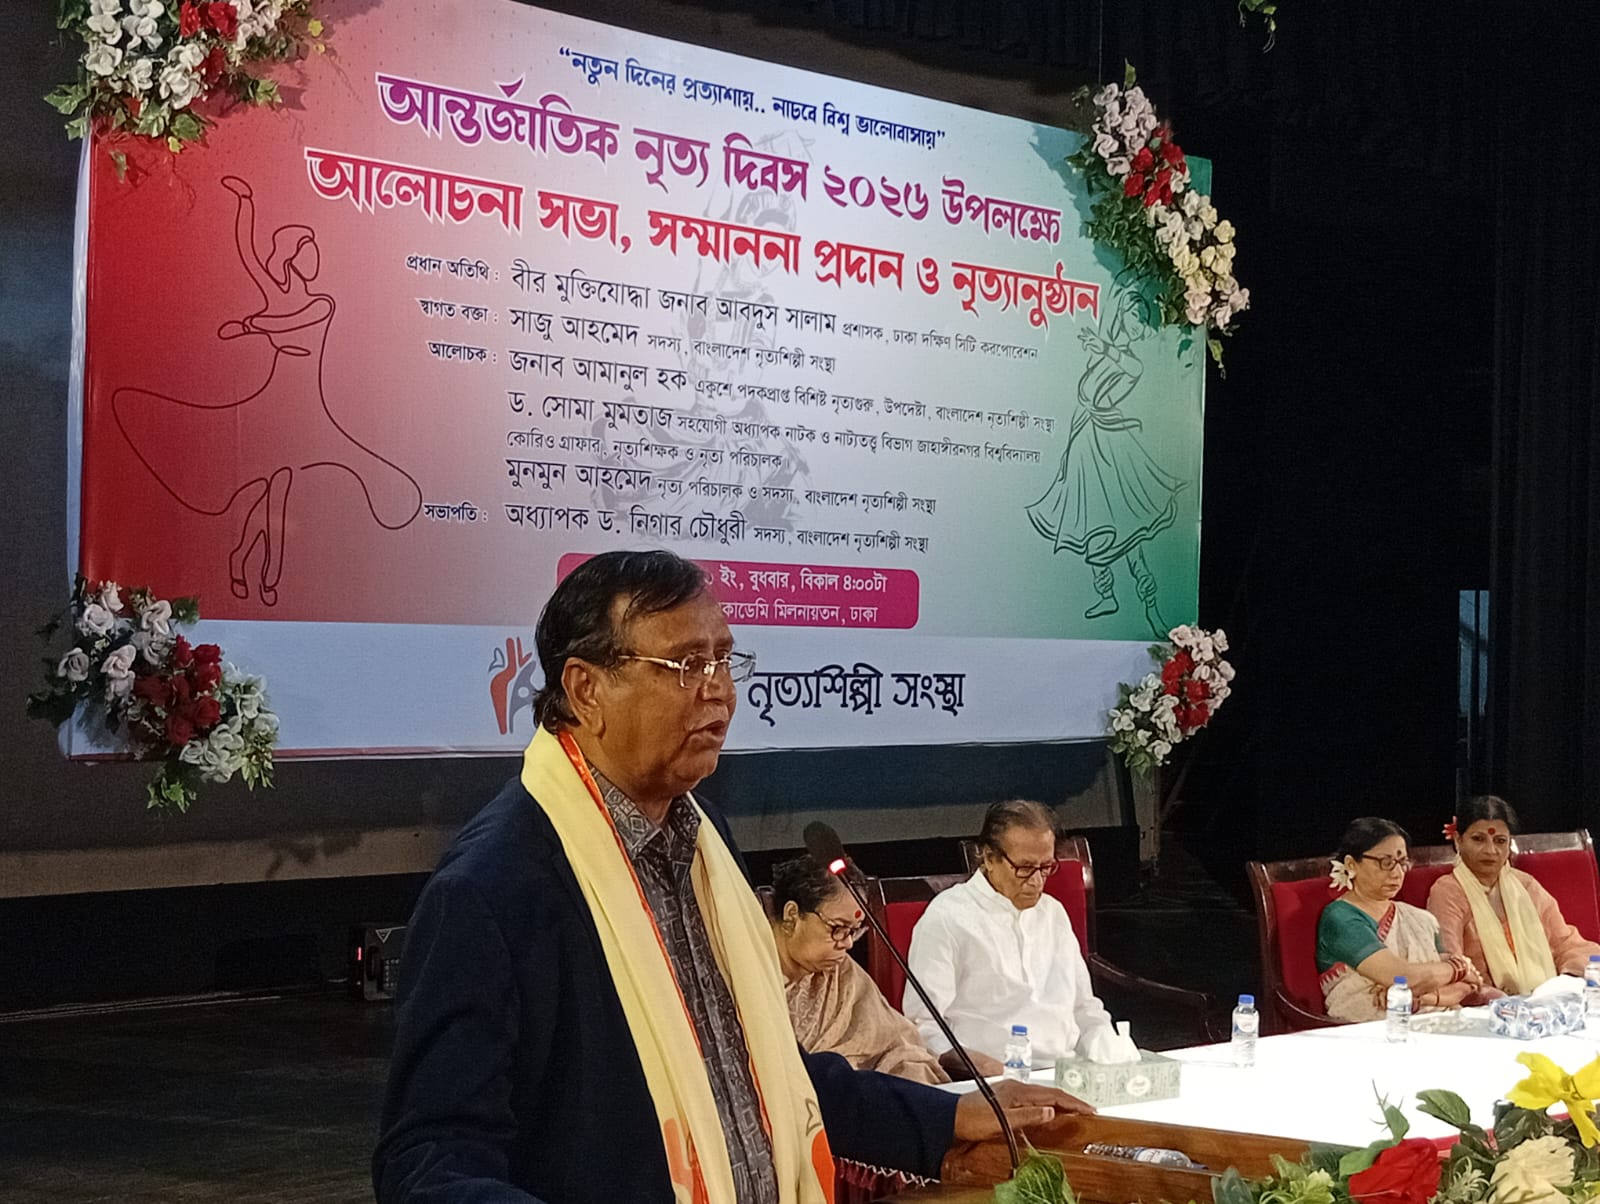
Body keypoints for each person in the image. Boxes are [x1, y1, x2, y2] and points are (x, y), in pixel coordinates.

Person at [373, 550, 1087, 1204]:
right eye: (686, 664)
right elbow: (430, 1160)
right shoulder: (493, 890)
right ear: (586, 689)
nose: (718, 691)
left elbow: (756, 1073)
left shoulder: (703, 838)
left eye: (723, 659)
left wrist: (942, 1116)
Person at [903, 800, 1119, 1070]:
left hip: (1065, 1070)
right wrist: (968, 1065)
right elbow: (923, 1024)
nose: (1036, 882)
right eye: (1025, 868)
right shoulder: (948, 918)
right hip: (989, 1077)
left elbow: (1085, 1009)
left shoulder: (1053, 912)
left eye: (1046, 867)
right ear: (989, 857)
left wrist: (1112, 1049)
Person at [769, 855, 949, 1087]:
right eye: (837, 928)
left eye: (853, 931)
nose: (847, 943)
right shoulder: (747, 974)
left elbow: (898, 1046)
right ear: (792, 915)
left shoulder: (841, 972)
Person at [1427, 795, 1600, 994]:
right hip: (1481, 1001)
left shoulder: (1525, 886)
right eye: (1478, 839)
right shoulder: (1448, 892)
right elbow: (1450, 962)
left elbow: (1566, 943)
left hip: (1543, 999)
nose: (1490, 850)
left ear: (1509, 844)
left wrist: (1566, 980)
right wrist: (1487, 996)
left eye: (1500, 841)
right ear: (1459, 840)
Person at [1316, 817, 1484, 1022]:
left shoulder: (1421, 920)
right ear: (1352, 864)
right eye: (1386, 863)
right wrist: (1459, 968)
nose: (1397, 873)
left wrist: (1421, 999)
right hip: (1368, 1030)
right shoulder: (1341, 918)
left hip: (1437, 1020)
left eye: (1402, 862)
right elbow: (1403, 978)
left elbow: (1468, 985)